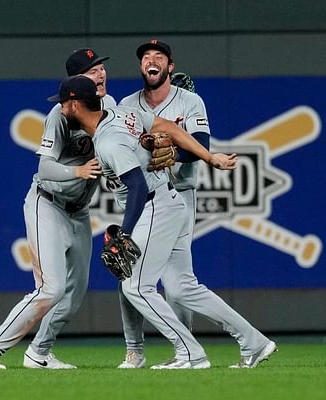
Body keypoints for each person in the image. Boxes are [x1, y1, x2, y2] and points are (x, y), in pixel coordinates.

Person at [50, 74, 238, 369]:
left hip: (158, 203)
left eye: (63, 104)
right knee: (142, 283)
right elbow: (163, 127)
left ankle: (188, 352)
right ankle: (247, 342)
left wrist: (124, 233)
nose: (60, 111)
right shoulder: (119, 110)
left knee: (146, 287)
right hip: (159, 202)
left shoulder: (110, 135)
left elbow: (138, 182)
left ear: (75, 104)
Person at [116, 39, 278, 369]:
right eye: (146, 57)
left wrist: (172, 150)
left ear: (169, 66)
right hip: (145, 197)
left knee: (143, 279)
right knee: (177, 286)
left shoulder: (190, 101)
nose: (151, 60)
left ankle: (184, 351)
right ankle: (251, 341)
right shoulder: (127, 104)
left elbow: (200, 145)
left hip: (178, 195)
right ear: (140, 66)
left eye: (158, 56)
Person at [0, 48, 116, 370]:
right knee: (51, 288)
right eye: (93, 71)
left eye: (101, 68)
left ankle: (39, 352)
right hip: (47, 204)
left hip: (79, 211)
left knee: (74, 294)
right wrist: (77, 171)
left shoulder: (111, 108)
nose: (101, 74)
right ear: (76, 83)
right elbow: (45, 169)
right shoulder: (59, 116)